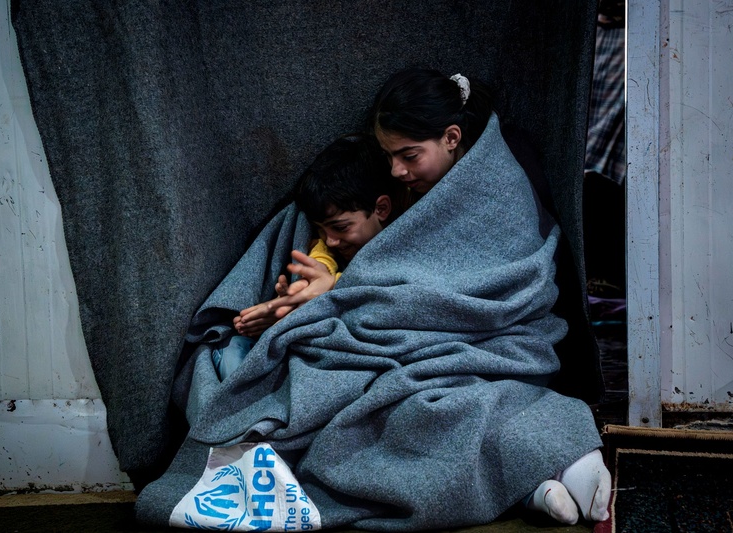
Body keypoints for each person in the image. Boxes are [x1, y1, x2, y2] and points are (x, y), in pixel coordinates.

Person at [369, 66, 611, 525]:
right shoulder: (410, 189)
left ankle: (554, 465)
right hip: (426, 344)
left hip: (503, 339)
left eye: (409, 155)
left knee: (448, 400)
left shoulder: (499, 178)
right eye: (389, 156)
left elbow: (519, 275)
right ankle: (534, 484)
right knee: (410, 402)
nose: (397, 170)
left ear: (452, 138)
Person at [216, 135, 399, 378]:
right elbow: (321, 250)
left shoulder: (407, 239)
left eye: (341, 227)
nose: (331, 240)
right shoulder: (326, 240)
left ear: (381, 209)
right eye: (321, 229)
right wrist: (309, 283)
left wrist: (333, 287)